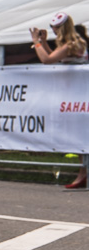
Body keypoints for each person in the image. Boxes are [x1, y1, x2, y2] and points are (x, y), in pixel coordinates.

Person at [31, 11, 88, 189]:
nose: (53, 30)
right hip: (74, 98)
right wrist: (45, 43)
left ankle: (83, 174)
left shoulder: (73, 44)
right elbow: (56, 58)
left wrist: (37, 42)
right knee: (79, 137)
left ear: (62, 28)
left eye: (54, 27)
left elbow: (47, 60)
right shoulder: (71, 44)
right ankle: (83, 174)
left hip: (81, 98)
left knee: (83, 137)